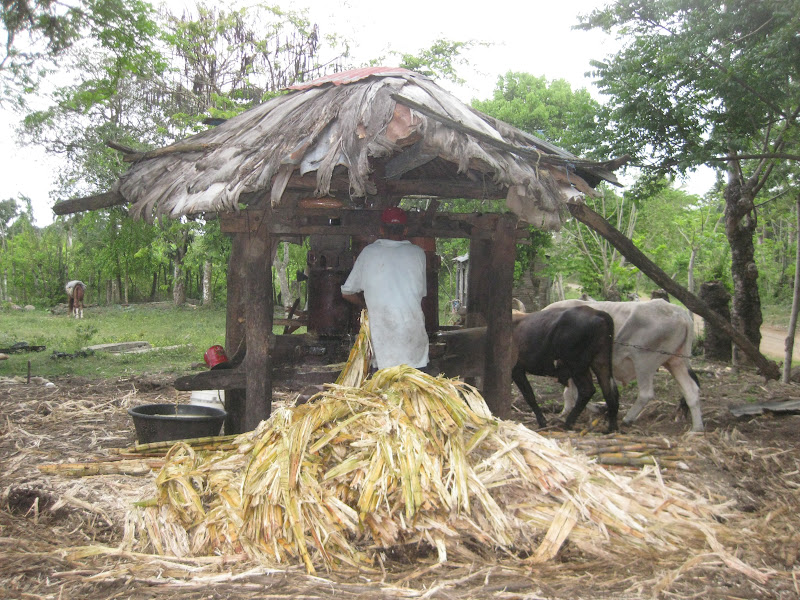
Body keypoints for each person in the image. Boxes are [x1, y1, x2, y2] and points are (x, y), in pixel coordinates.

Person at [341, 206, 429, 371]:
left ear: (381, 229)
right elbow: (421, 295)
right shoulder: (418, 253)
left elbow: (347, 293)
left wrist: (367, 306)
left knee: (383, 385)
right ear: (405, 230)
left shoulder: (368, 253)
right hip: (413, 338)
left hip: (383, 341)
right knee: (413, 385)